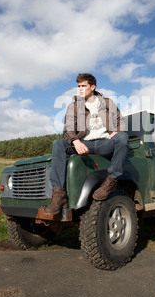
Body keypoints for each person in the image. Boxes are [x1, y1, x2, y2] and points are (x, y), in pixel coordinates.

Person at [45, 73, 128, 215]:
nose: (80, 89)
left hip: (104, 143)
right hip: (84, 143)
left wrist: (117, 131)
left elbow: (122, 122)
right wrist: (75, 141)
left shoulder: (108, 103)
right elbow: (68, 129)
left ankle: (111, 181)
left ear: (93, 86)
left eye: (84, 86)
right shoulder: (74, 106)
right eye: (79, 86)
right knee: (58, 144)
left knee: (123, 137)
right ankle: (59, 195)